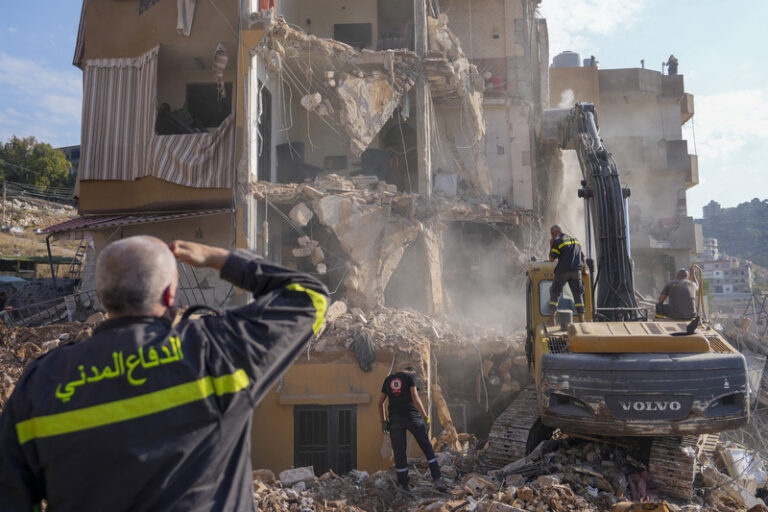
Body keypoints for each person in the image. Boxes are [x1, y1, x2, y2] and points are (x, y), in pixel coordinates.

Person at [0, 236, 329, 511]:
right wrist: (220, 259)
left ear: (101, 298)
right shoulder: (216, 349)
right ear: (171, 294)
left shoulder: (39, 383)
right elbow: (310, 296)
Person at [378, 366, 445, 492]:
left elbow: (380, 403)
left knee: (399, 453)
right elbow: (415, 396)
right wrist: (425, 418)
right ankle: (437, 479)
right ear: (412, 371)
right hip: (412, 418)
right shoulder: (411, 376)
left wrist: (383, 421)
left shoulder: (388, 379)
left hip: (395, 420)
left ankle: (404, 485)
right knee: (426, 447)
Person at [548, 225, 586, 323]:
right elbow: (582, 257)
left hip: (563, 271)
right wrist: (585, 269)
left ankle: (552, 319)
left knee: (554, 293)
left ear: (557, 232)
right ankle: (582, 319)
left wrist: (551, 245)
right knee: (578, 295)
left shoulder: (559, 241)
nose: (552, 236)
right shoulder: (576, 240)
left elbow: (551, 259)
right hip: (576, 272)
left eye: (552, 234)